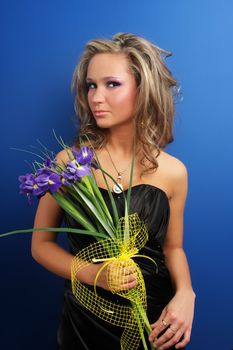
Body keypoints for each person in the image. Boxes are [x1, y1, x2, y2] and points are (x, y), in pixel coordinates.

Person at [32, 32, 195, 350]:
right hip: (85, 321)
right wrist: (96, 275)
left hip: (155, 323)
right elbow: (40, 245)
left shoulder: (173, 172)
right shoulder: (69, 163)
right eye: (91, 85)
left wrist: (186, 294)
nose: (95, 97)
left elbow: (173, 249)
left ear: (142, 89)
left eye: (111, 84)